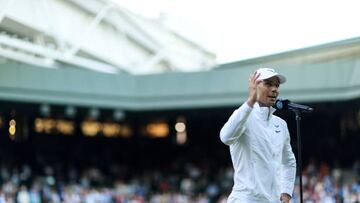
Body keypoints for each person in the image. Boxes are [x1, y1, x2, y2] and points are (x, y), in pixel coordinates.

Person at [220, 68, 296, 203]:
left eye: (277, 85)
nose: (274, 89)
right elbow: (225, 137)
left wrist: (286, 192)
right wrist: (250, 101)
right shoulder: (243, 116)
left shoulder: (281, 124)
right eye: (268, 84)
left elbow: (289, 161)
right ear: (255, 86)